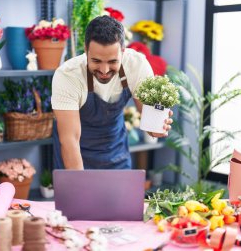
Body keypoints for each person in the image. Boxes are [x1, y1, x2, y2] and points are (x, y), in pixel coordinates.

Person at [51, 15, 173, 170]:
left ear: (122, 51)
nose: (104, 70)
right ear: (86, 50)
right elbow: (69, 141)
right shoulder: (68, 75)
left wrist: (156, 128)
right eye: (96, 61)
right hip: (75, 154)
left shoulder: (136, 65)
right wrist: (79, 184)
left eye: (112, 61)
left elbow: (150, 121)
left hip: (116, 151)